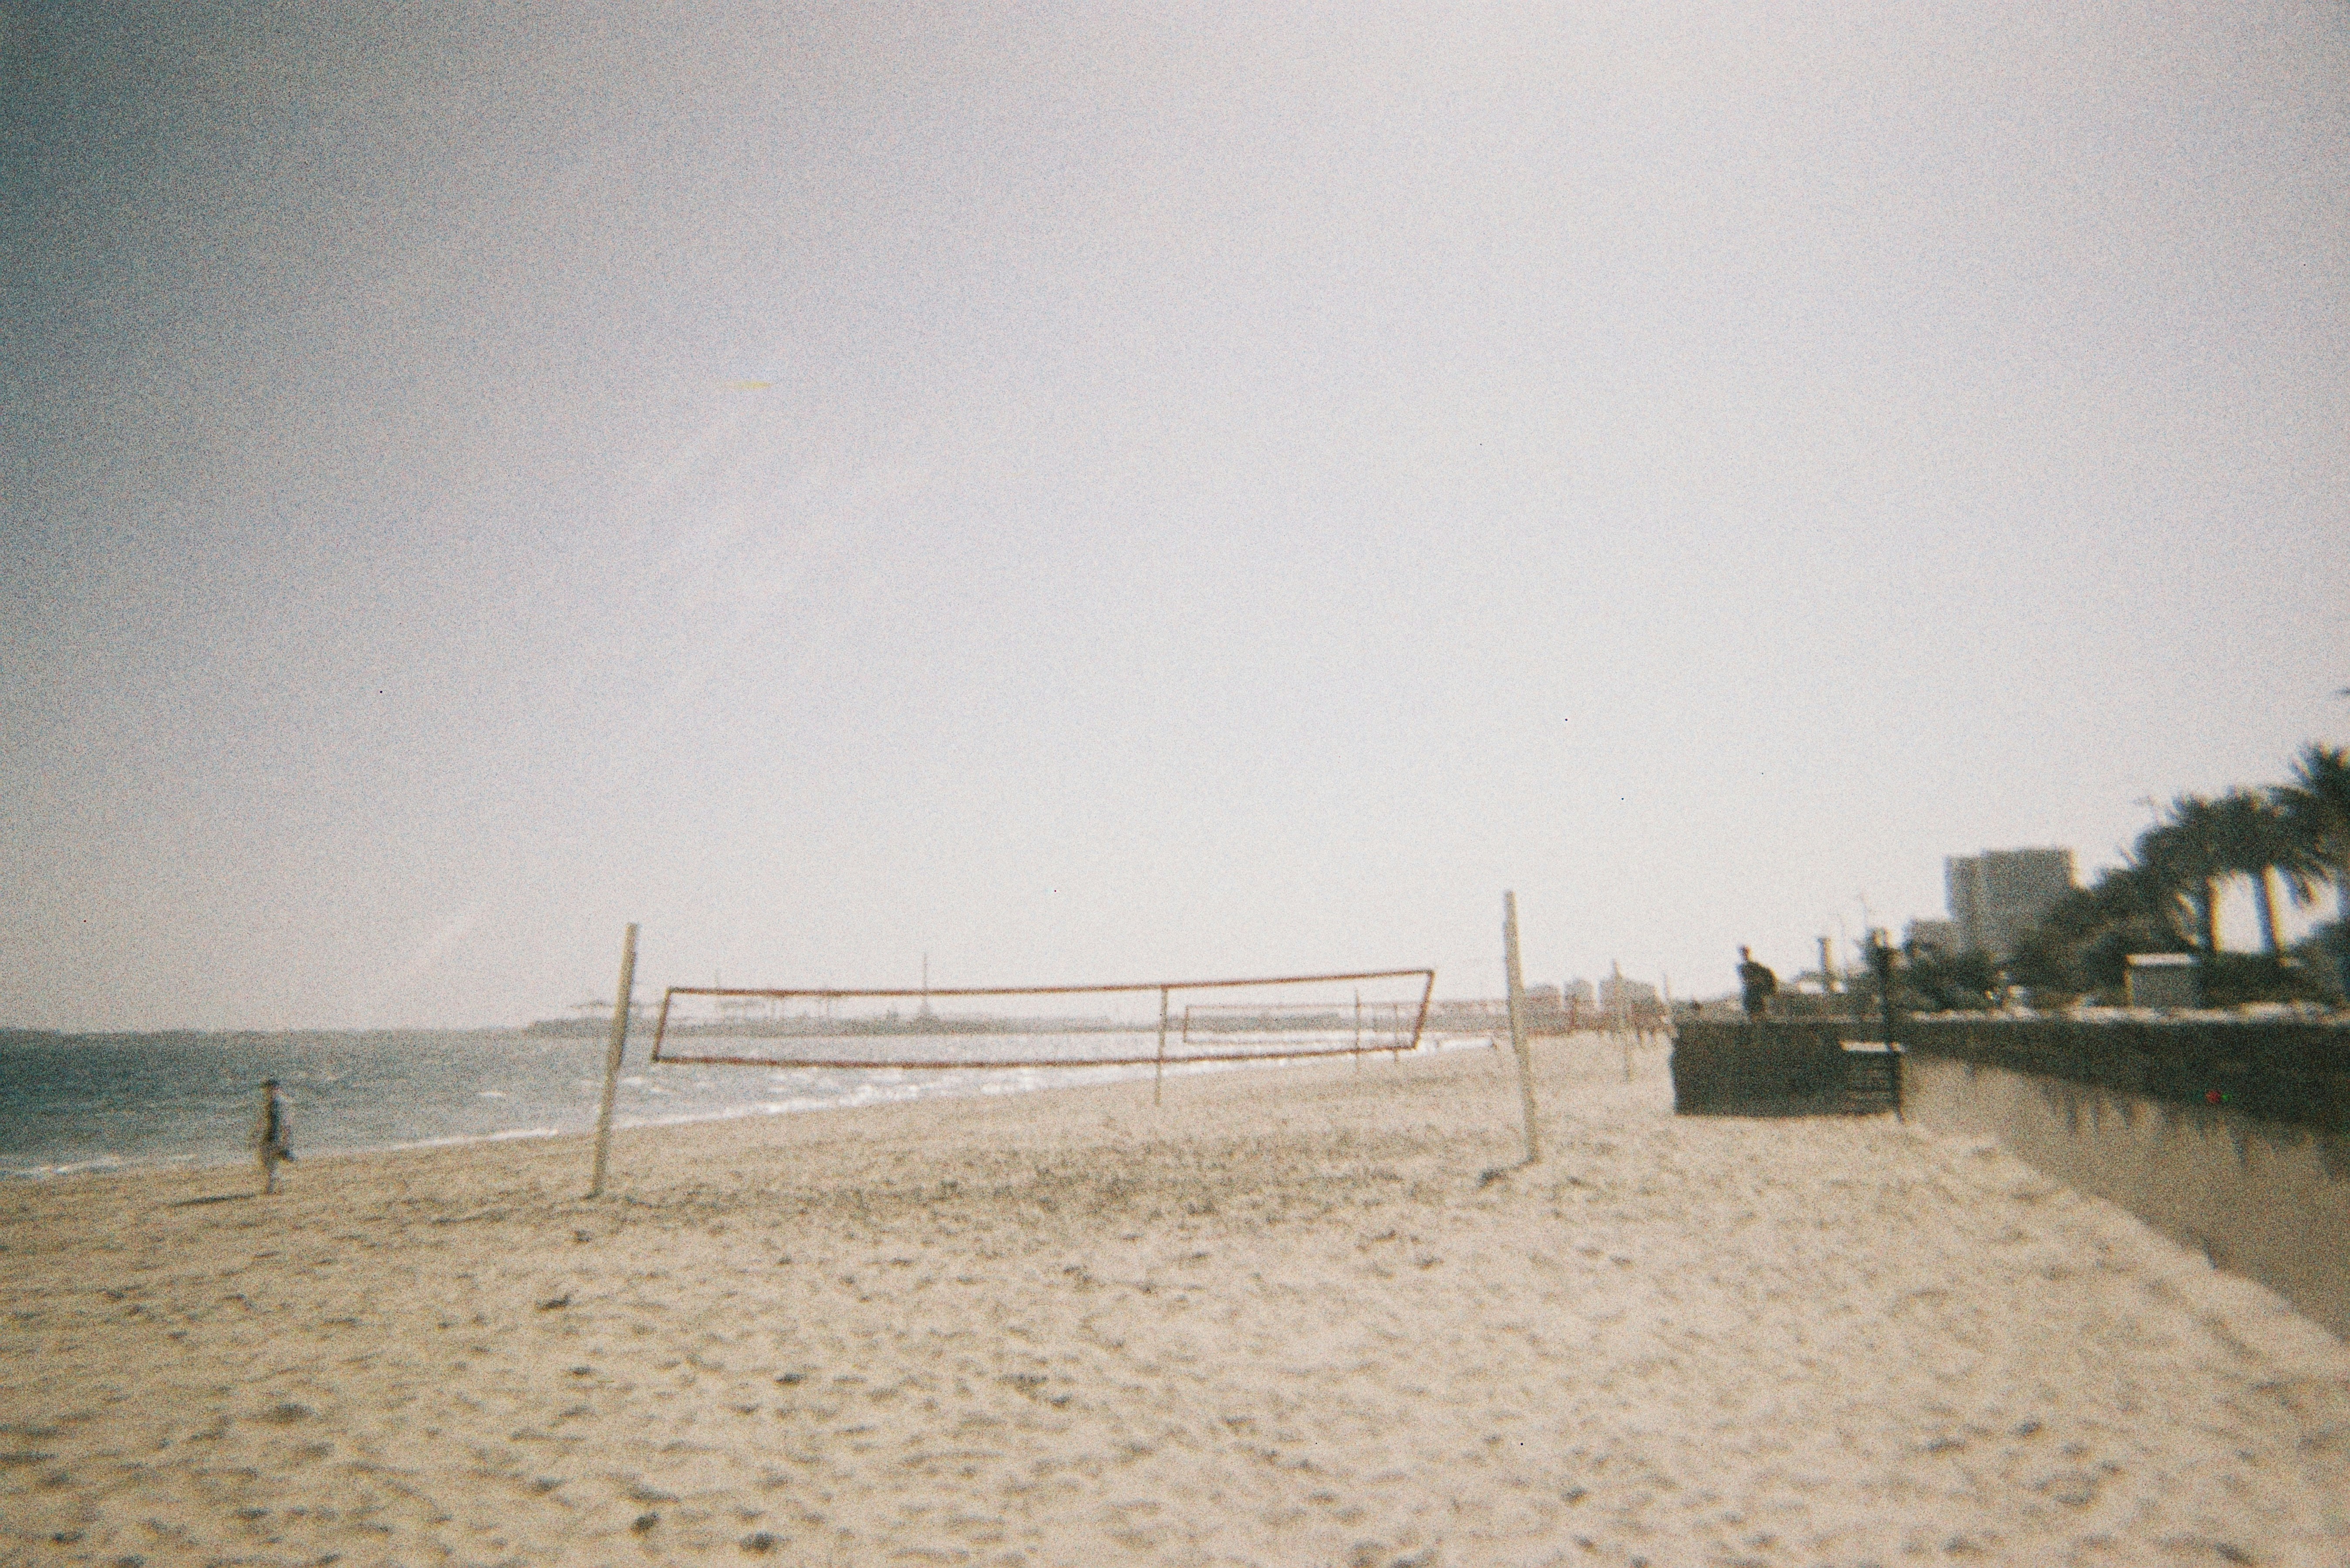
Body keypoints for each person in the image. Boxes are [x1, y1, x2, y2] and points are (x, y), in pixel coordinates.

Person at [254, 1078, 294, 1194]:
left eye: (270, 1089)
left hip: (274, 1138)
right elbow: (262, 1121)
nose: (268, 1092)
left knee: (270, 1163)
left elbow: (285, 1124)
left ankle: (273, 1188)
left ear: (276, 1089)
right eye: (267, 1090)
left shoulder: (279, 1104)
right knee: (269, 1163)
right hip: (269, 1137)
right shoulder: (271, 1103)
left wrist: (285, 1141)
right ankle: (277, 1187)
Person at [1737, 946, 1777, 1020]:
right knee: (1752, 1014)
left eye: (1745, 952)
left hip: (1757, 994)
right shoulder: (1742, 967)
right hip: (1750, 994)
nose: (1744, 955)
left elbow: (1769, 976)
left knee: (1760, 1014)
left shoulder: (1755, 966)